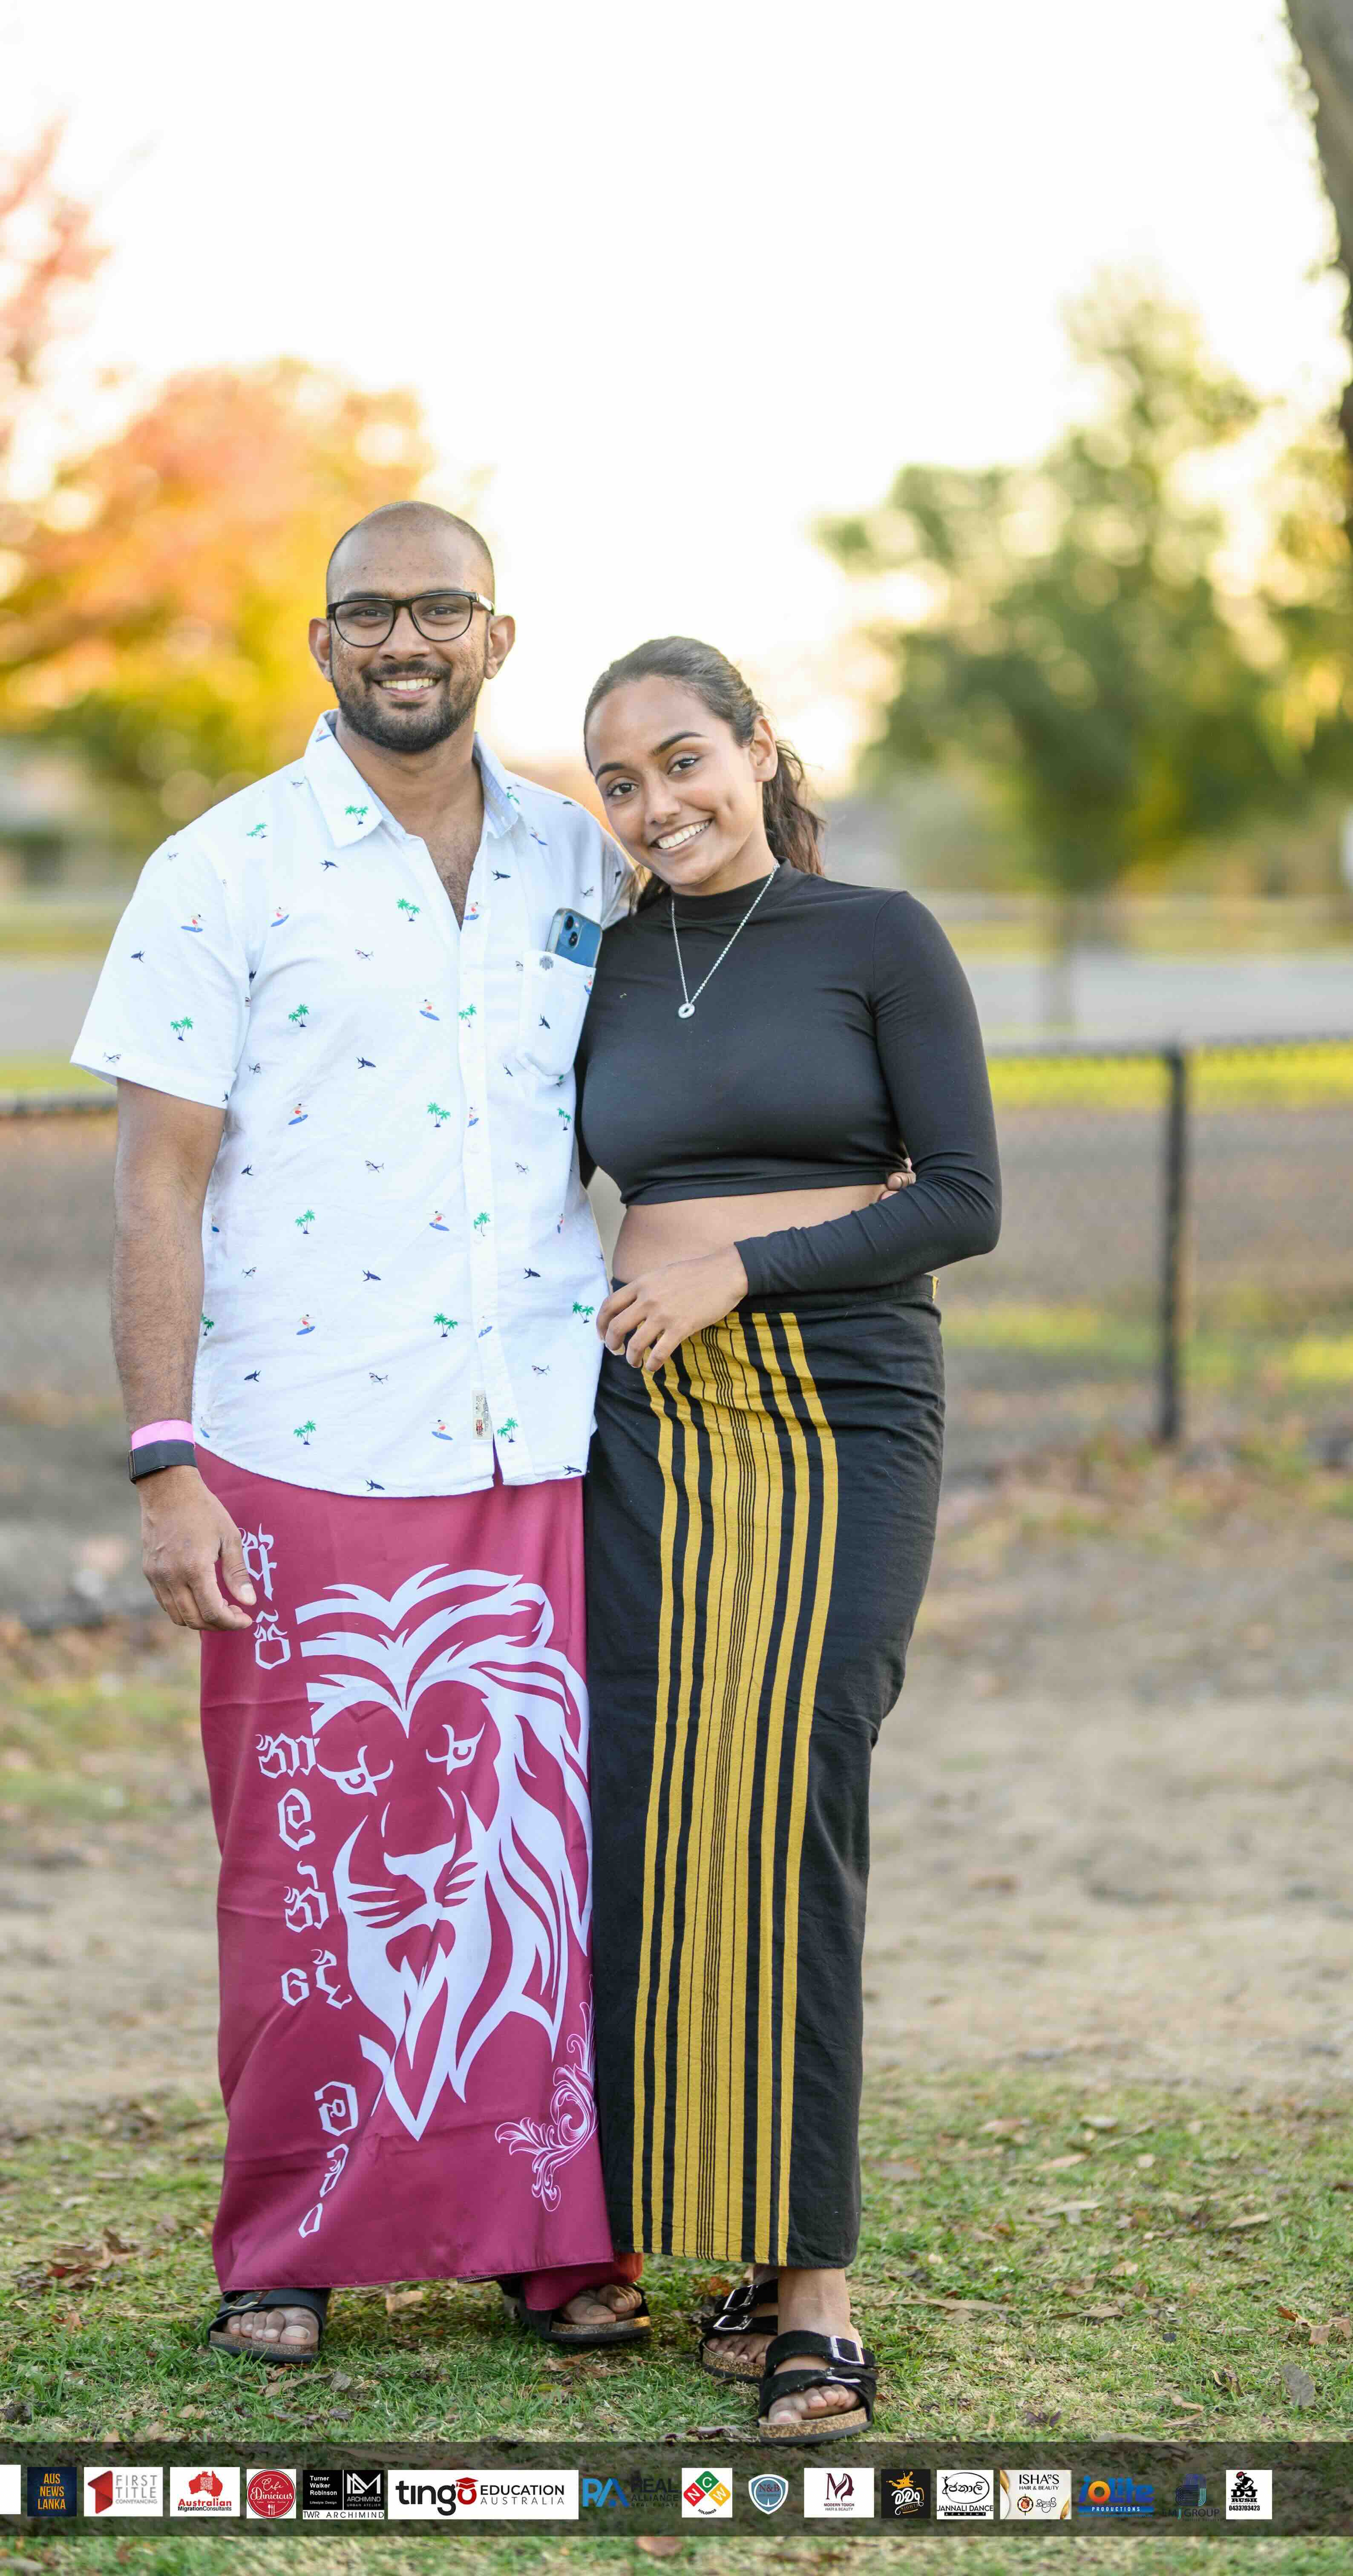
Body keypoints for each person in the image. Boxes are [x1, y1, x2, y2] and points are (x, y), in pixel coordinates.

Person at [70, 503, 645, 2364]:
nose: (406, 640)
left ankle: (555, 2240)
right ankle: (286, 2249)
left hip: (539, 1441)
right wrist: (166, 1457)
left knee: (541, 1859)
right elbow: (158, 1188)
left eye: (440, 609)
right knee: (309, 1871)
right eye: (370, 612)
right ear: (323, 643)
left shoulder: (584, 859)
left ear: (497, 636)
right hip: (300, 1446)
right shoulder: (220, 870)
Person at [574, 636, 1000, 2441]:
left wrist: (739, 1268)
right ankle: (712, 2242)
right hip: (652, 1424)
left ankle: (817, 2288)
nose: (656, 804)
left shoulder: (877, 938)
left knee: (799, 1792)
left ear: (756, 749)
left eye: (683, 759)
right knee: (664, 1811)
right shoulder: (597, 964)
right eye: (619, 782)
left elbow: (963, 1200)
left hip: (843, 1409)